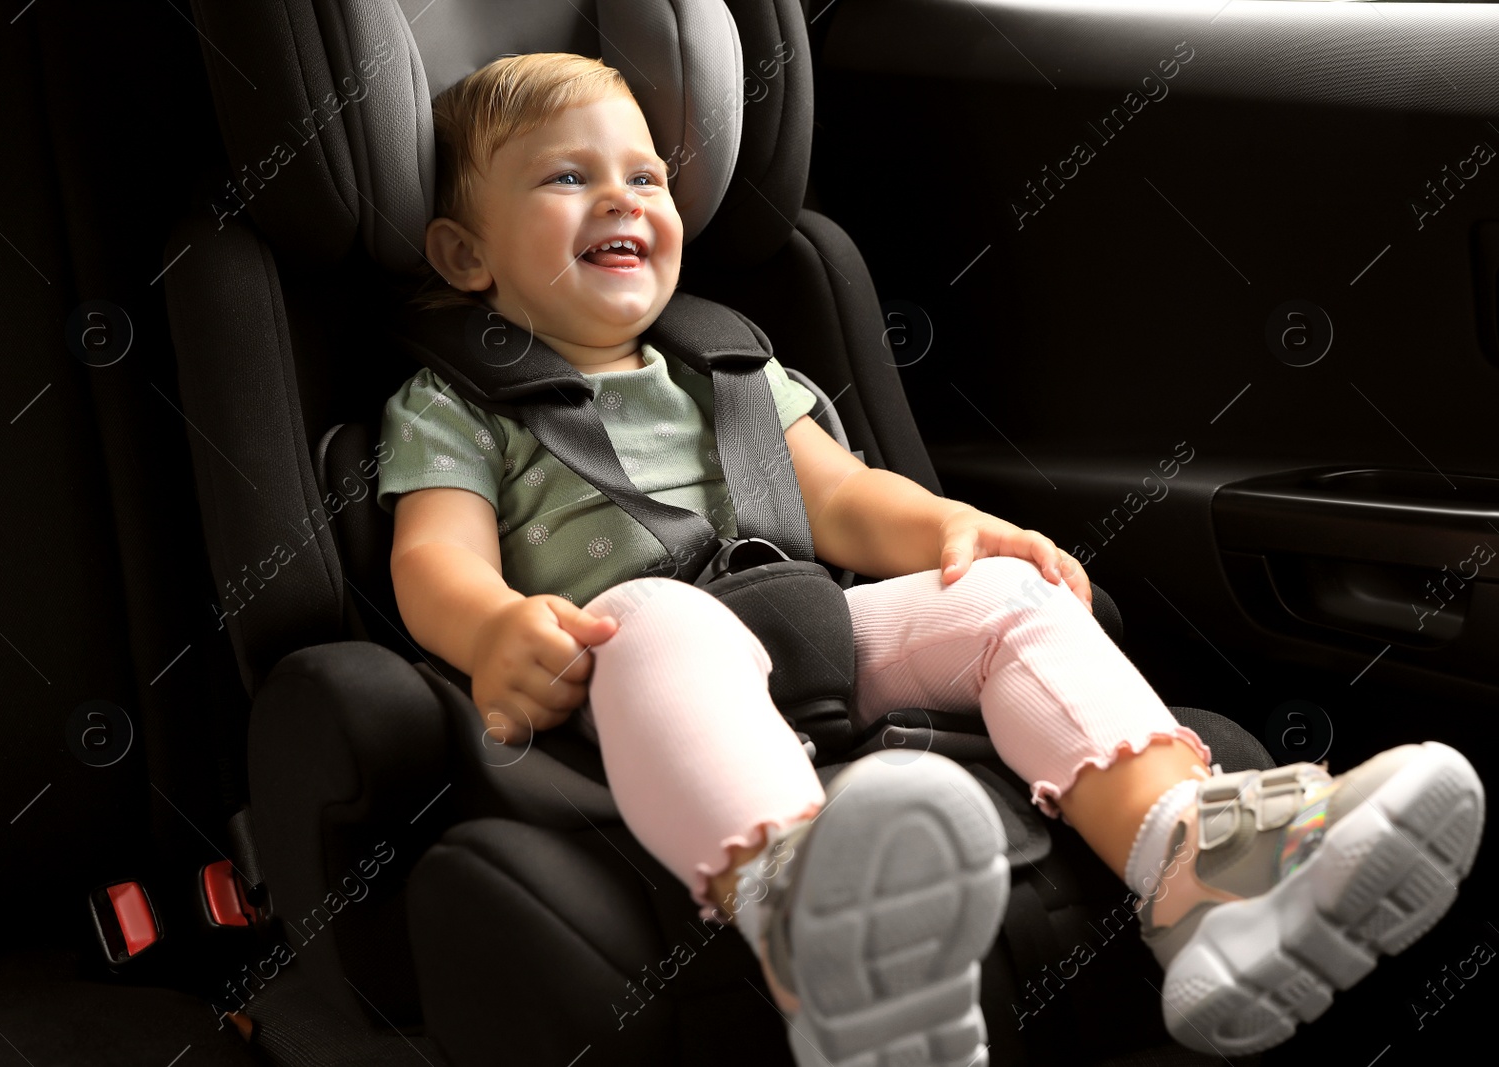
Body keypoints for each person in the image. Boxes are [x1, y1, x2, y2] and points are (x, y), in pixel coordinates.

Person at [377, 52, 1485, 1063]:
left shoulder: (731, 371)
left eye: (647, 177)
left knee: (1001, 597)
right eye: (566, 178)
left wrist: (952, 533)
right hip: (617, 674)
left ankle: (1207, 867)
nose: (623, 197)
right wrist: (492, 631)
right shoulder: (455, 407)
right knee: (663, 618)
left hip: (807, 635)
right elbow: (433, 558)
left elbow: (850, 499)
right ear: (463, 252)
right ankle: (811, 927)